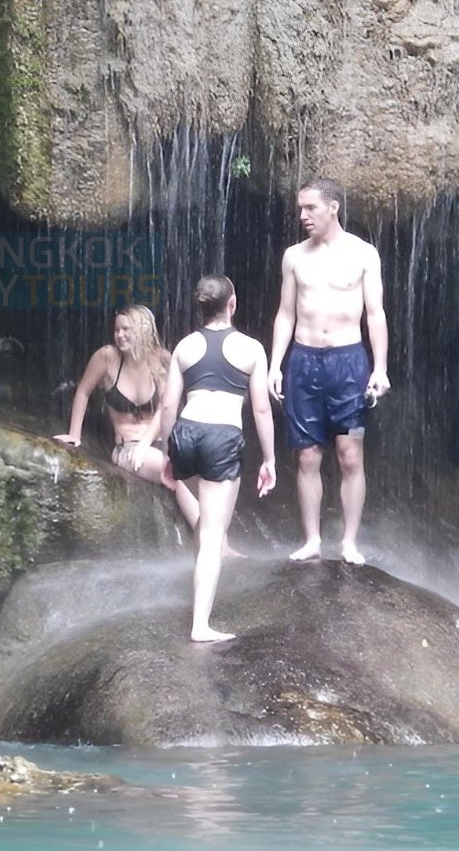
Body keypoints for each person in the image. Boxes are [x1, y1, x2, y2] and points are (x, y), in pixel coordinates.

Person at [268, 177, 389, 565]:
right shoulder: (294, 257)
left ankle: (349, 541)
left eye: (310, 208)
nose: (302, 216)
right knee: (306, 456)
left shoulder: (364, 254)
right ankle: (312, 539)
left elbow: (375, 314)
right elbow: (286, 313)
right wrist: (275, 364)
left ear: (333, 207)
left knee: (350, 452)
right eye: (300, 209)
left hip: (349, 366)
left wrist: (380, 367)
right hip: (303, 363)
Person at [157, 275, 276, 642]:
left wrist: (167, 454)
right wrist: (269, 458)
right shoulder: (251, 348)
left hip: (186, 432)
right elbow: (260, 408)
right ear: (232, 304)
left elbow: (167, 404)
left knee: (204, 527)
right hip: (221, 436)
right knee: (212, 532)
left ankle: (200, 605)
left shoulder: (184, 347)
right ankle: (200, 625)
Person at [55, 305, 208, 533]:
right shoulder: (106, 357)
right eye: (117, 330)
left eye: (126, 329)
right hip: (128, 449)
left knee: (207, 473)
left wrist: (149, 444)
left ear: (143, 330)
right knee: (180, 473)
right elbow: (83, 391)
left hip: (161, 444)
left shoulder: (161, 359)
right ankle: (214, 543)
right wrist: (74, 434)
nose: (120, 335)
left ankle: (217, 541)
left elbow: (165, 409)